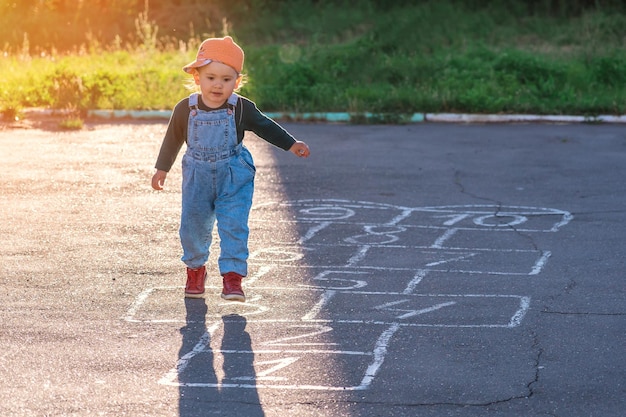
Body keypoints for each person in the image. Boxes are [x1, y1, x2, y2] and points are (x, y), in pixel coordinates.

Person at [151, 36, 310, 302]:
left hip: (233, 176)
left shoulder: (240, 108)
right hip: (197, 178)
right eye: (211, 77)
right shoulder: (185, 109)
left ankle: (233, 278)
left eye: (226, 80)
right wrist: (161, 169)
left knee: (234, 225)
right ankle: (195, 269)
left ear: (236, 82)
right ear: (196, 78)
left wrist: (291, 144)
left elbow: (265, 127)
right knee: (192, 227)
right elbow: (172, 139)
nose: (218, 85)